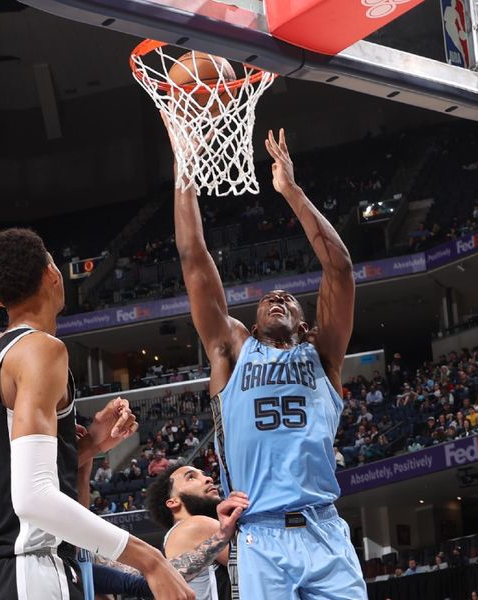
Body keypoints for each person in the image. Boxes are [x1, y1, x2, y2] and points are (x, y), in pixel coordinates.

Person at [167, 125, 364, 599]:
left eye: (289, 299)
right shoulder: (233, 350)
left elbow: (338, 267)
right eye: (268, 299)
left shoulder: (323, 355)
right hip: (258, 534)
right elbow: (194, 257)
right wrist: (185, 166)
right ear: (251, 327)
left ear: (306, 324)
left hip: (324, 531)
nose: (277, 297)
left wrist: (291, 191)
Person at [0, 228, 193, 600]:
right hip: (29, 569)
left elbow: (3, 472)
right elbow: (32, 498)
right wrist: (149, 559)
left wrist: (88, 446)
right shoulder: (40, 349)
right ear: (53, 274)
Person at [146, 466, 249, 599]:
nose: (209, 479)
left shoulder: (175, 535)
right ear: (173, 502)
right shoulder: (196, 524)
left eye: (204, 474)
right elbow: (254, 564)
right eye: (191, 477)